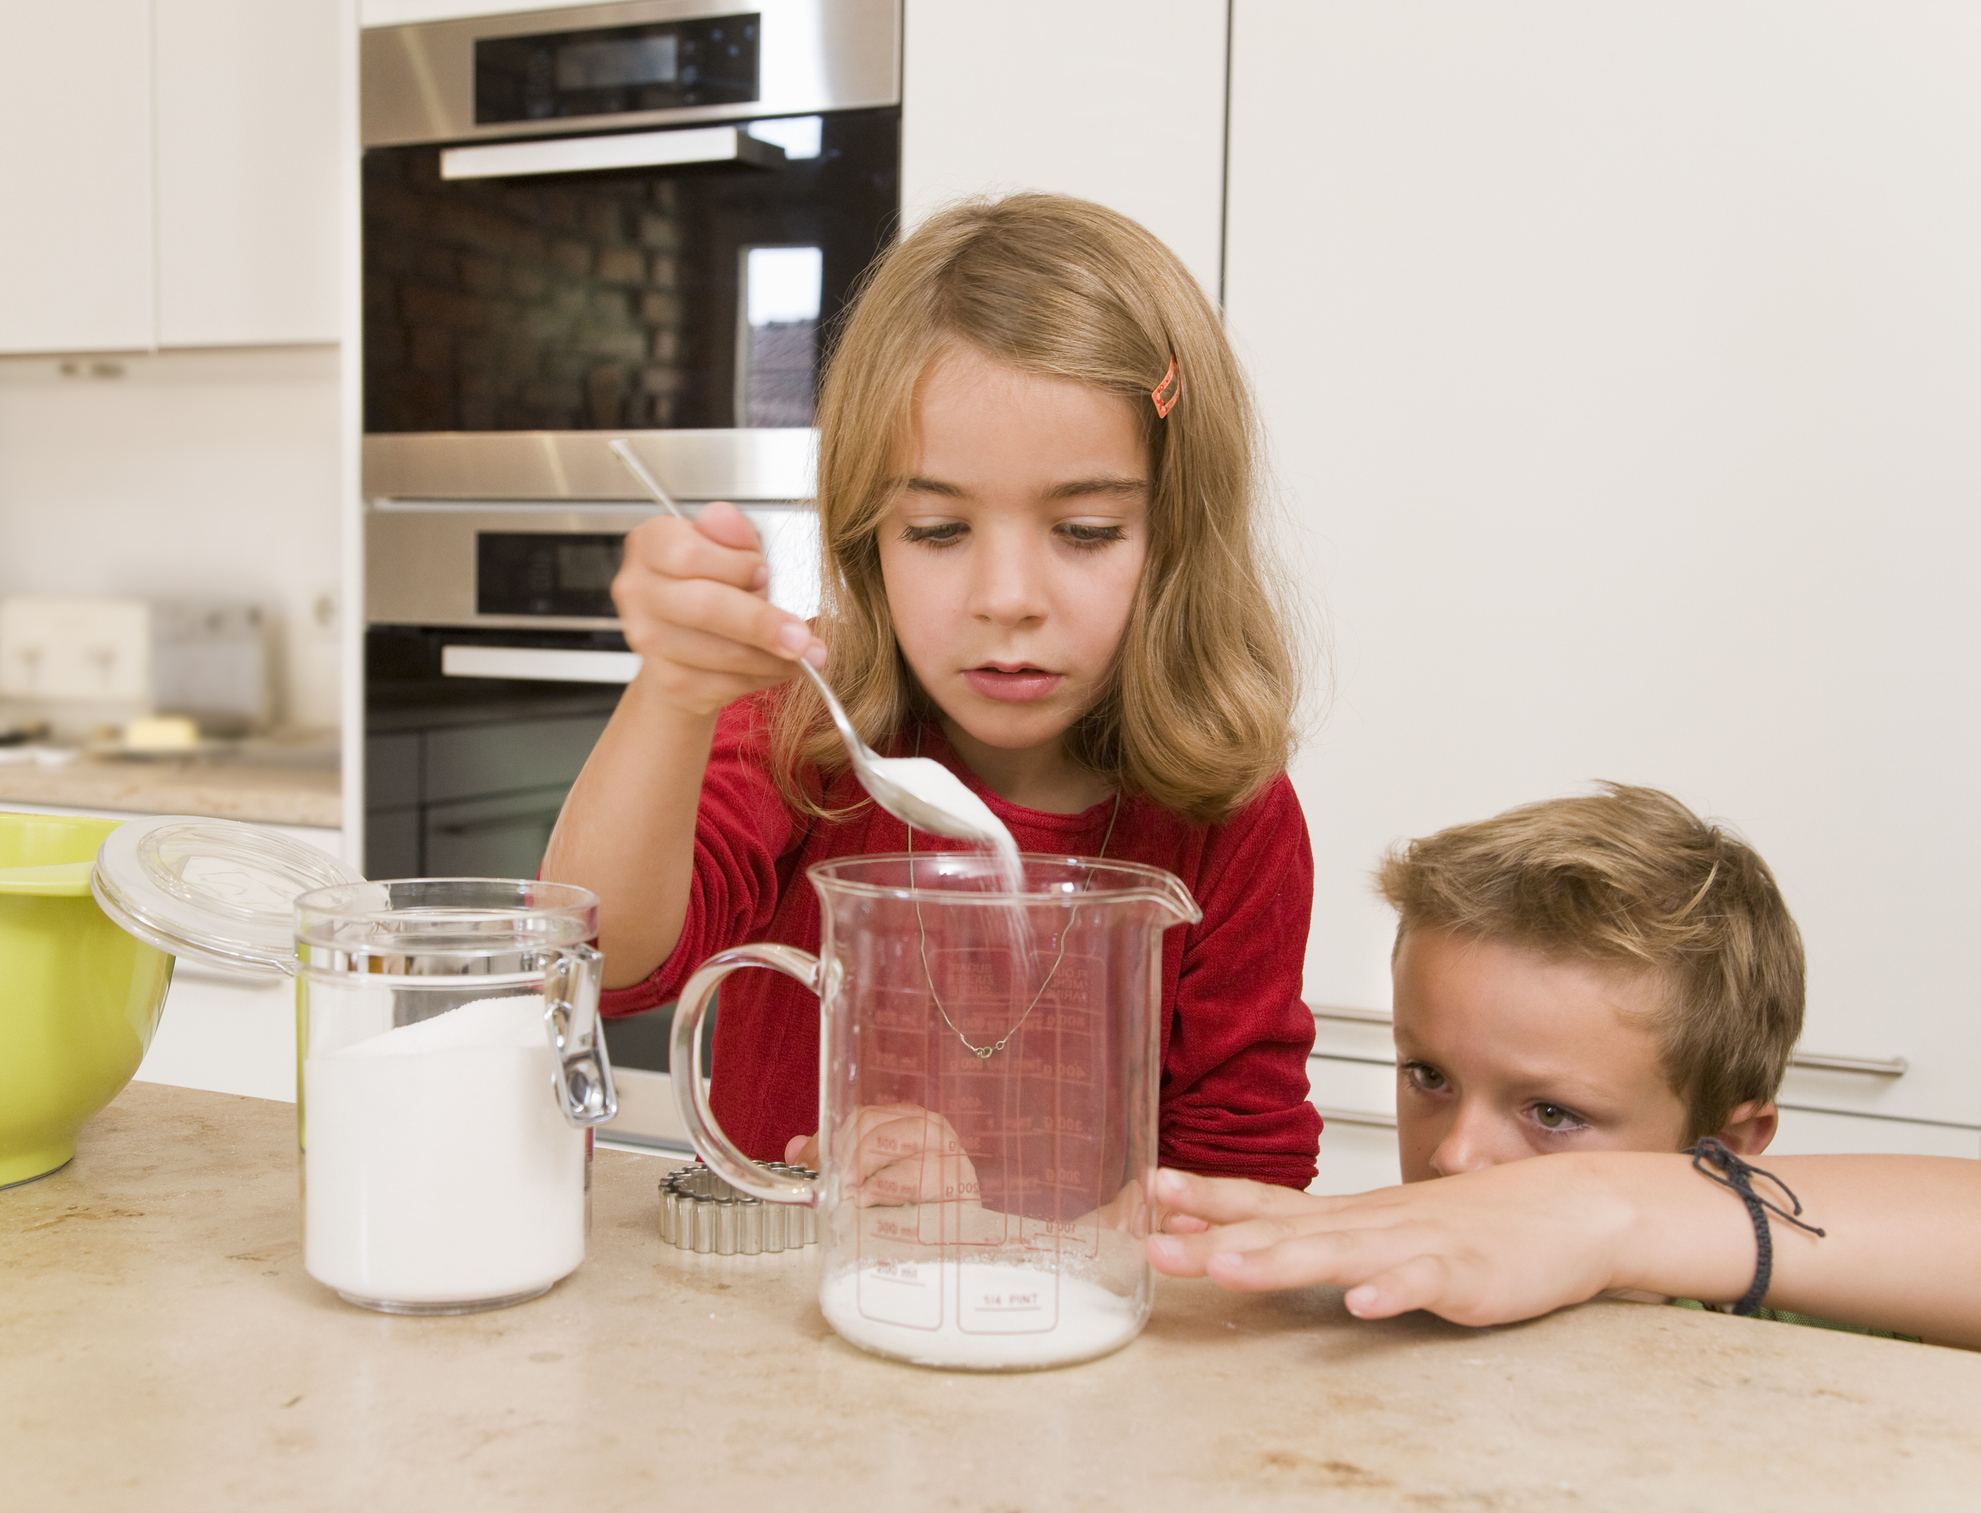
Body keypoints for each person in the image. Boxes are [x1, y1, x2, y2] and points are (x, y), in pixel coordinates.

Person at [542, 193, 1322, 1188]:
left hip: (1078, 1340)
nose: (1006, 599)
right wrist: (673, 695)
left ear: (1177, 536)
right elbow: (601, 961)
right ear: (866, 539)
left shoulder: (1232, 819)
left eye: (1083, 531)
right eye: (938, 532)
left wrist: (988, 1231)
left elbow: (1242, 1181)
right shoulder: (800, 730)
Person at [1150, 784, 1981, 1348]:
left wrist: (1598, 1210)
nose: (1455, 1156)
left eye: (1551, 1113)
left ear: (1730, 1143)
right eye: (1428, 1076)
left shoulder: (1815, 1319)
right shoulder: (1374, 1285)